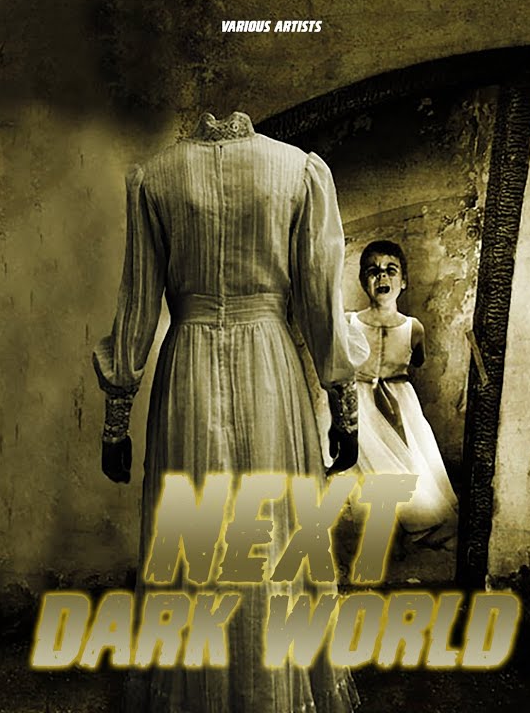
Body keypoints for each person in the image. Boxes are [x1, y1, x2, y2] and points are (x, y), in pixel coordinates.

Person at [92, 111, 361, 713]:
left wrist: (117, 418)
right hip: (269, 362)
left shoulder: (159, 176)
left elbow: (138, 301)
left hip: (188, 361)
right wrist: (344, 409)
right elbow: (321, 298)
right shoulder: (295, 170)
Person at [347, 240, 458, 551]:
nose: (381, 277)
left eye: (390, 270)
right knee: (372, 464)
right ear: (363, 281)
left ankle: (415, 525)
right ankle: (386, 531)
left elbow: (417, 360)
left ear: (404, 281)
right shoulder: (350, 322)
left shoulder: (413, 328)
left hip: (400, 400)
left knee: (410, 460)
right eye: (373, 271)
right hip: (362, 401)